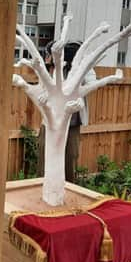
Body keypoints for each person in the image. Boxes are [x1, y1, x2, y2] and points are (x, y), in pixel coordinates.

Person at [37, 40, 94, 182]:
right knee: (45, 154)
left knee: (70, 157)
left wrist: (79, 65)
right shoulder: (50, 70)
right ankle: (41, 183)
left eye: (47, 54)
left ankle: (68, 186)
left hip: (72, 122)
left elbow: (91, 81)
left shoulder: (81, 69)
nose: (46, 57)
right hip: (50, 122)